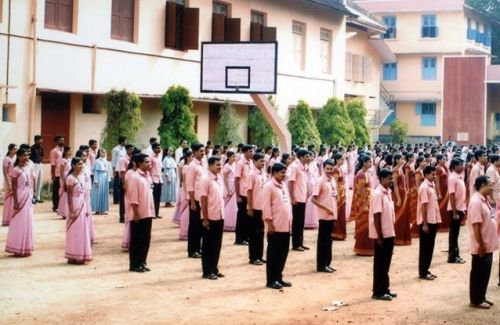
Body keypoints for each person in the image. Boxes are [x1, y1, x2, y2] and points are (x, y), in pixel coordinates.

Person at [467, 175, 499, 309]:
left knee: (485, 272)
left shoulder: (484, 200)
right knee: (479, 273)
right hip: (482, 245)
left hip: (487, 244)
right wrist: (480, 244)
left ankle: (481, 296)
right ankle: (476, 299)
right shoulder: (476, 202)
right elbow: (476, 225)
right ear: (482, 186)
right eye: (490, 185)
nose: (492, 187)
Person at [263, 162, 293, 290]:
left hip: (285, 225)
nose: (284, 175)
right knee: (273, 254)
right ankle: (271, 280)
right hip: (275, 226)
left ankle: (279, 277)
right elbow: (266, 207)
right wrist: (269, 223)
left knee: (283, 253)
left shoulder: (283, 185)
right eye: (282, 172)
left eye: (285, 172)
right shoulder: (268, 187)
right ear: (274, 173)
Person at [369, 168, 397, 301]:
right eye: (389, 179)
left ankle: (385, 288)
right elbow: (376, 216)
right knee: (380, 263)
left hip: (389, 232)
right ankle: (378, 291)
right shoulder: (378, 194)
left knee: (386, 263)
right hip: (383, 235)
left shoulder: (387, 193)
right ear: (382, 179)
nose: (391, 181)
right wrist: (379, 236)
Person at [5, 148, 35, 257]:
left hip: (28, 195)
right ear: (19, 157)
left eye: (27, 155)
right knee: (19, 221)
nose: (26, 157)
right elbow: (14, 186)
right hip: (20, 195)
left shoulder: (28, 167)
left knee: (28, 220)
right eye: (24, 155)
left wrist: (33, 193)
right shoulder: (15, 170)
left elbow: (31, 181)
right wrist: (16, 201)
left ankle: (26, 247)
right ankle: (17, 247)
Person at [127, 153, 155, 272]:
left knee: (146, 239)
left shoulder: (148, 176)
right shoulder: (135, 178)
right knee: (136, 240)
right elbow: (133, 198)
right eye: (146, 162)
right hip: (138, 214)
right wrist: (136, 213)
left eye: (149, 162)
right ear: (139, 164)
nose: (149, 164)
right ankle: (134, 264)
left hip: (148, 212)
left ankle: (142, 261)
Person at [200, 156, 225, 280]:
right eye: (217, 165)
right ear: (210, 166)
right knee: (208, 245)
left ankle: (214, 268)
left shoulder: (219, 178)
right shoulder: (206, 179)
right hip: (210, 217)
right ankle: (207, 271)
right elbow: (203, 200)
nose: (219, 167)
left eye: (220, 165)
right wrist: (205, 218)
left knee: (217, 244)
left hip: (219, 215)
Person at [65, 157, 93, 264]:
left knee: (82, 230)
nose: (82, 166)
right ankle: (73, 255)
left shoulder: (81, 177)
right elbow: (69, 196)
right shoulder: (70, 178)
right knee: (74, 230)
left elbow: (84, 193)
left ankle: (81, 254)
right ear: (73, 166)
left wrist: (86, 208)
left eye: (82, 164)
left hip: (82, 204)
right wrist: (71, 210)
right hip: (74, 205)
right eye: (79, 164)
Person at [311, 159, 337, 273]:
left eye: (331, 169)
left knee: (329, 240)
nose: (329, 171)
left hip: (332, 215)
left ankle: (327, 263)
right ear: (323, 168)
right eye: (327, 169)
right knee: (323, 241)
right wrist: (326, 209)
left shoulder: (332, 180)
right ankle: (321, 265)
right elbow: (313, 199)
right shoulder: (320, 181)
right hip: (324, 216)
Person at [417, 165, 441, 280]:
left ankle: (426, 269)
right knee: (425, 247)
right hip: (427, 221)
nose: (434, 176)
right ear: (426, 175)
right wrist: (425, 223)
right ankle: (423, 271)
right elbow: (424, 206)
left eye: (435, 174)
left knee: (430, 247)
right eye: (432, 174)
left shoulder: (431, 185)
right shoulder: (424, 187)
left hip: (433, 219)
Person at [186, 143, 206, 258]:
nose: (202, 153)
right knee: (194, 225)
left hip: (202, 199)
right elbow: (189, 185)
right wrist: (192, 201)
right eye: (200, 151)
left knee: (200, 226)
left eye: (203, 151)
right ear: (194, 152)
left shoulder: (203, 164)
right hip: (195, 200)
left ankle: (198, 248)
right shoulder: (192, 166)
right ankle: (192, 250)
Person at [351, 155, 374, 256]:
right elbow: (361, 191)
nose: (371, 163)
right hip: (362, 202)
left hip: (368, 200)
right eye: (369, 162)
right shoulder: (361, 174)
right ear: (364, 163)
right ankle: (362, 247)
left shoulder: (367, 173)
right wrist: (365, 204)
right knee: (364, 223)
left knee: (368, 223)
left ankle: (367, 247)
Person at [246, 153, 266, 265]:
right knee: (254, 233)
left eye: (264, 161)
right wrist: (250, 207)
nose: (263, 163)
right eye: (260, 161)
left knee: (261, 232)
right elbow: (249, 191)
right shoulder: (251, 174)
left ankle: (259, 255)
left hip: (262, 207)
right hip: (255, 207)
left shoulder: (263, 173)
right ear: (254, 161)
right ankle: (253, 257)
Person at [289, 148, 310, 251]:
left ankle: (300, 242)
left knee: (301, 221)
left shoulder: (305, 167)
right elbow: (291, 182)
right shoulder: (295, 168)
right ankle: (296, 244)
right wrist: (292, 197)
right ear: (301, 157)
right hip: (297, 198)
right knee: (297, 221)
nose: (308, 158)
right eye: (306, 156)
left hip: (303, 197)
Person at [447, 158, 466, 264]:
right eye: (460, 165)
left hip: (460, 208)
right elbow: (452, 195)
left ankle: (456, 254)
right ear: (454, 166)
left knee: (456, 233)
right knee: (454, 234)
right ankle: (452, 257)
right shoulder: (452, 178)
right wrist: (454, 212)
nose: (462, 166)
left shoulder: (459, 177)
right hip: (455, 209)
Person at [234, 144, 254, 245]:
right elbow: (237, 179)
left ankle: (246, 237)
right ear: (245, 152)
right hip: (242, 194)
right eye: (250, 151)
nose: (252, 153)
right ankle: (239, 238)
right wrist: (237, 196)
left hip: (249, 194)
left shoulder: (251, 162)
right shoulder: (240, 163)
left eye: (252, 151)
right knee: (241, 217)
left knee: (248, 217)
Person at [392, 154, 410, 246]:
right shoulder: (395, 171)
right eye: (401, 159)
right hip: (398, 195)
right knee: (398, 216)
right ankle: (397, 237)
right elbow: (395, 186)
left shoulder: (400, 169)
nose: (403, 160)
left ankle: (402, 237)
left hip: (403, 194)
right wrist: (398, 198)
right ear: (397, 160)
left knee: (403, 216)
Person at [332, 153, 347, 240]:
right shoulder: (335, 170)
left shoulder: (340, 169)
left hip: (342, 192)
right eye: (341, 159)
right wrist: (338, 195)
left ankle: (340, 232)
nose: (343, 160)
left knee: (341, 213)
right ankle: (336, 232)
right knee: (338, 212)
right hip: (339, 193)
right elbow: (335, 183)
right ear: (337, 160)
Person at [119, 144, 134, 223]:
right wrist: (124, 183)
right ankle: (122, 217)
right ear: (127, 150)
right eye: (131, 149)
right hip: (124, 181)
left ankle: (127, 215)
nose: (132, 151)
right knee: (123, 200)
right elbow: (122, 172)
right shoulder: (123, 159)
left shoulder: (132, 158)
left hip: (130, 181)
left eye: (133, 149)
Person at [91, 148, 110, 215]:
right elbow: (96, 172)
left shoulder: (106, 161)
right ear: (99, 153)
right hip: (99, 177)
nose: (104, 153)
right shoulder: (97, 161)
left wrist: (108, 179)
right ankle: (97, 209)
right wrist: (96, 180)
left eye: (104, 152)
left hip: (105, 178)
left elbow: (108, 171)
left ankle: (103, 209)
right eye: (102, 152)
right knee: (98, 193)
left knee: (104, 193)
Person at [2, 144, 17, 226]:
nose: (16, 150)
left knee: (12, 201)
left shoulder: (14, 159)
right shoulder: (6, 159)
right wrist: (8, 183)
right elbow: (4, 172)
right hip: (8, 180)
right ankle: (5, 219)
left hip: (13, 180)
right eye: (14, 149)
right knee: (8, 201)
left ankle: (11, 219)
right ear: (10, 150)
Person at [222, 151, 237, 232]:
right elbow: (225, 179)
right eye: (233, 157)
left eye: (235, 157)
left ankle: (234, 223)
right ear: (228, 157)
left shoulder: (234, 165)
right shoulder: (226, 166)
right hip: (229, 187)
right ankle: (227, 223)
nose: (234, 158)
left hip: (235, 186)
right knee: (228, 206)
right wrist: (228, 190)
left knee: (234, 206)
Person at [57, 146, 73, 220]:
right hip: (64, 178)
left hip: (69, 177)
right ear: (66, 152)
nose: (70, 152)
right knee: (64, 194)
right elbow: (62, 172)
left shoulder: (70, 160)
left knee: (69, 194)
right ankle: (63, 212)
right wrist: (64, 180)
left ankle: (68, 211)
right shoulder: (63, 160)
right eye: (69, 151)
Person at [435, 154, 450, 233]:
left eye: (445, 159)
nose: (444, 160)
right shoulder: (437, 169)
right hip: (441, 190)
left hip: (446, 190)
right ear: (439, 160)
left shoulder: (444, 167)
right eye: (443, 159)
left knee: (445, 207)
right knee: (441, 207)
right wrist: (439, 193)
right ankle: (440, 225)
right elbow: (437, 182)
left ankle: (446, 223)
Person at [50, 135, 64, 212]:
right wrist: (53, 175)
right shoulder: (54, 151)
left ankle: (61, 205)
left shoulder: (64, 150)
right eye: (60, 140)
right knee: (56, 190)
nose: (62, 141)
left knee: (62, 190)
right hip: (57, 173)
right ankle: (55, 206)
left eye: (62, 140)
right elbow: (53, 164)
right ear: (56, 141)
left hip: (63, 173)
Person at [111, 136, 127, 204]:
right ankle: (116, 199)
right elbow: (114, 160)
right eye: (126, 141)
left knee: (121, 184)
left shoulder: (124, 149)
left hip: (123, 169)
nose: (126, 142)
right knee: (116, 184)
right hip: (117, 169)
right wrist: (114, 170)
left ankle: (120, 198)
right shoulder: (115, 149)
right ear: (123, 141)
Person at [149, 143, 163, 218]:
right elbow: (149, 169)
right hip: (153, 179)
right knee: (153, 198)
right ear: (153, 149)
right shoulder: (151, 157)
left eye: (160, 148)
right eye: (158, 148)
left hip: (159, 179)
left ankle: (156, 213)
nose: (159, 149)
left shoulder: (159, 157)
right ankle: (152, 213)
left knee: (158, 197)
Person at [30, 135, 44, 203]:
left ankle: (37, 197)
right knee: (34, 181)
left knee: (39, 181)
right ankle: (33, 197)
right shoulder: (32, 148)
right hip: (34, 164)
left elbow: (42, 155)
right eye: (40, 140)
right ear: (36, 140)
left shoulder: (41, 147)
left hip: (40, 164)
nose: (41, 141)